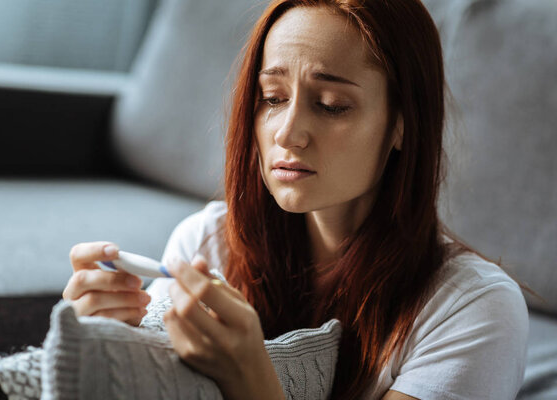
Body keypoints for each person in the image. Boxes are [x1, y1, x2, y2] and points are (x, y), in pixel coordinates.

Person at [62, 0, 529, 399]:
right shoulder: (205, 244)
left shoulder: (475, 309)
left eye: (331, 105)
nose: (287, 133)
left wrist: (253, 384)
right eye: (272, 97)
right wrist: (111, 348)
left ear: (403, 123)